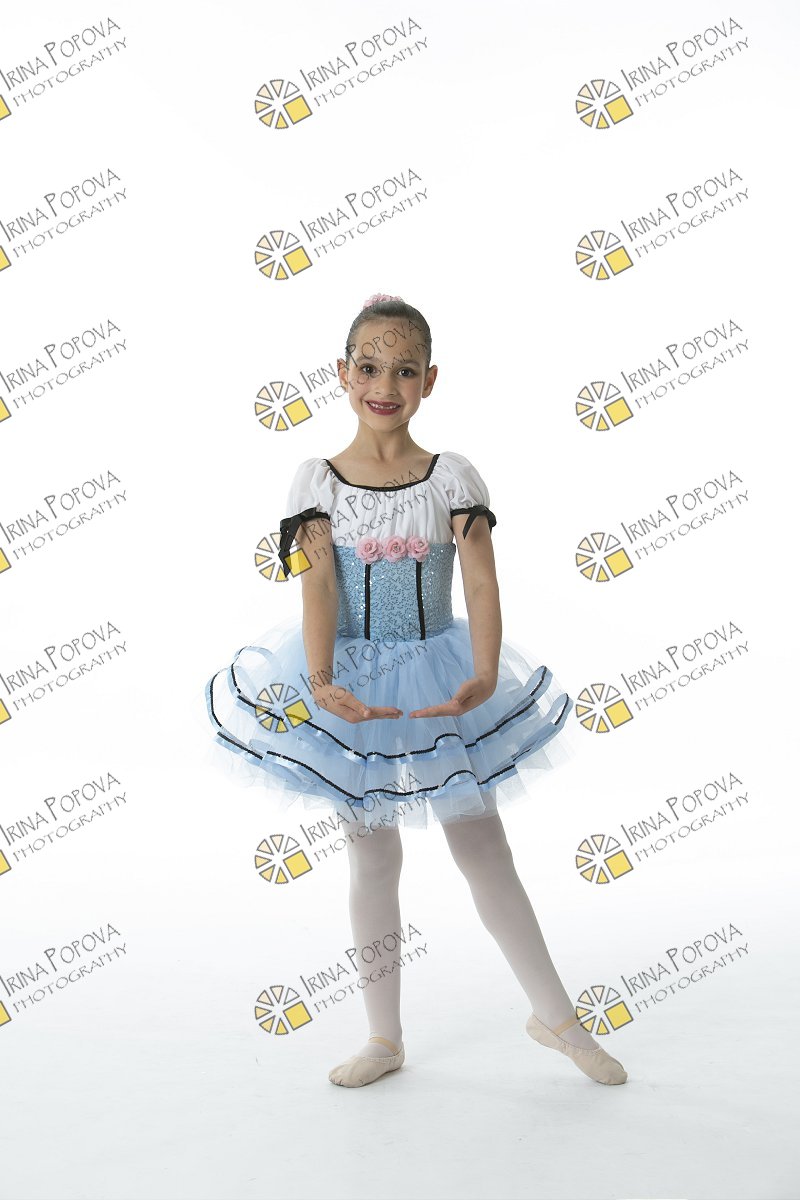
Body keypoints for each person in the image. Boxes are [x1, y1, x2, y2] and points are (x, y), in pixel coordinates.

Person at [205, 293, 627, 1088]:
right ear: (342, 373)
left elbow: (482, 580)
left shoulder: (450, 477)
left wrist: (483, 672)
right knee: (371, 854)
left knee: (483, 846)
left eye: (405, 370)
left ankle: (558, 1019)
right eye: (369, 367)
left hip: (439, 674)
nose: (385, 385)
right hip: (353, 684)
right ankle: (384, 1037)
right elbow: (318, 586)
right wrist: (322, 679)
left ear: (430, 380)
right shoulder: (317, 482)